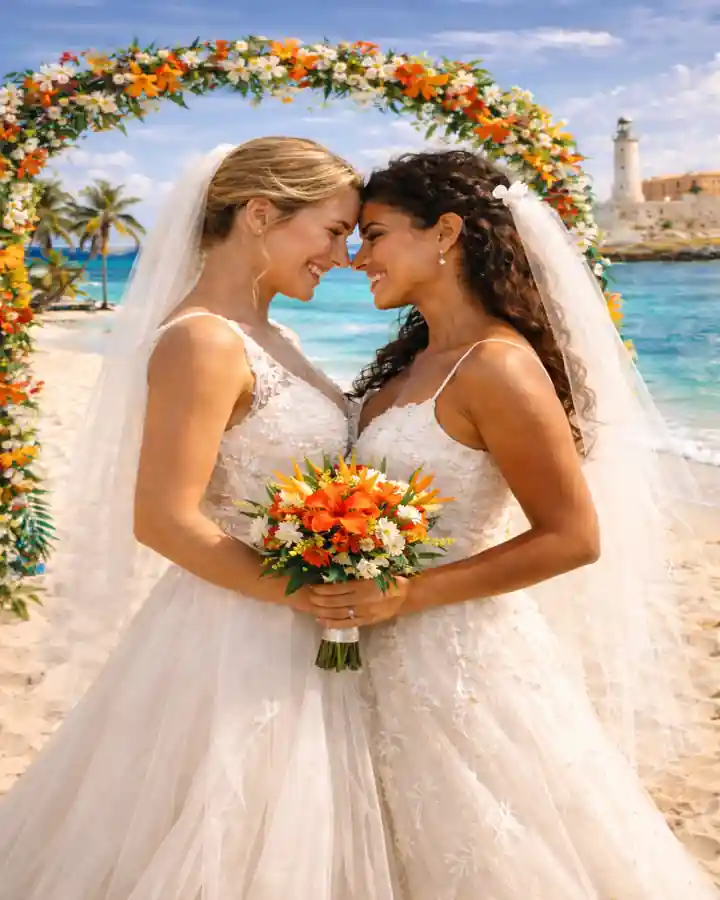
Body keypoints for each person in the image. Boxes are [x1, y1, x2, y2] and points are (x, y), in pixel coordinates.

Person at [307, 150, 720, 898]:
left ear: (446, 233)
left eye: (374, 234)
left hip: (458, 661)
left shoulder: (498, 366)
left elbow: (572, 536)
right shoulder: (409, 365)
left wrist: (406, 594)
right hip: (367, 660)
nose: (356, 258)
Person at [0, 137, 363, 899]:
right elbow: (163, 518)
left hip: (298, 617)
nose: (344, 254)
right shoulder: (202, 340)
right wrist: (300, 591)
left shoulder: (276, 334)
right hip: (240, 631)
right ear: (262, 214)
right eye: (333, 231)